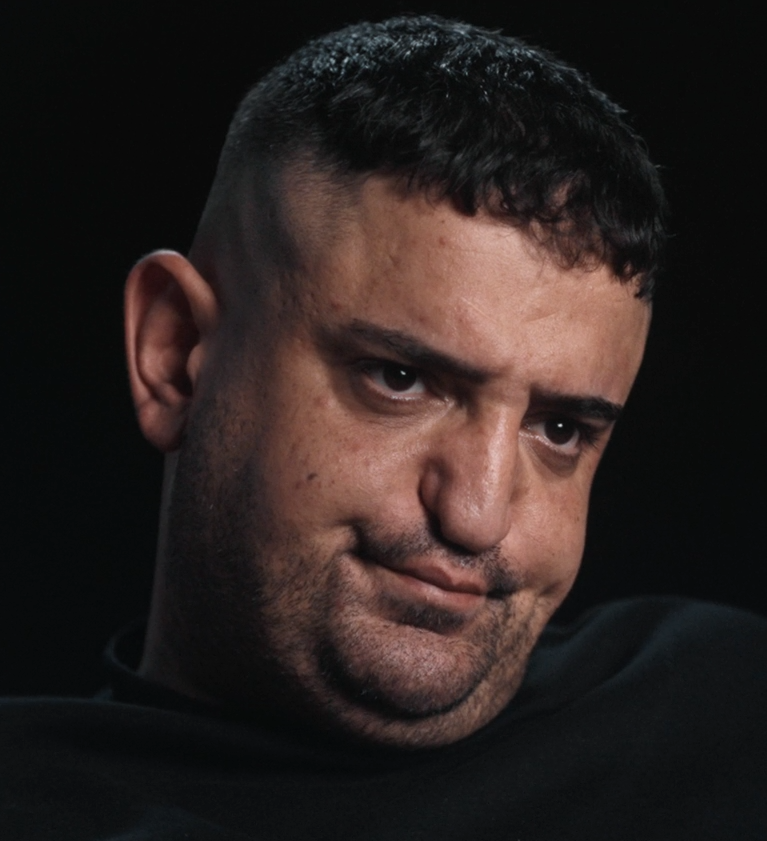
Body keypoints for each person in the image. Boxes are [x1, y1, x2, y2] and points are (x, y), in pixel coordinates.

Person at [2, 15, 765, 840]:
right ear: (175, 353)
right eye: (400, 379)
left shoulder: (721, 707)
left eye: (558, 428)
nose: (476, 514)